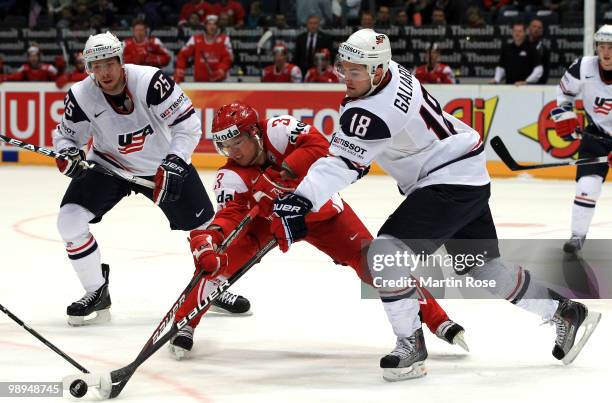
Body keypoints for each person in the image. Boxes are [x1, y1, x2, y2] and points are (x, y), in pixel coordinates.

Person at [270, 28, 601, 381]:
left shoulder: (373, 109)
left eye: (355, 71)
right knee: (484, 269)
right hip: (467, 172)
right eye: (344, 68)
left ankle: (410, 345)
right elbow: (360, 154)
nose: (346, 78)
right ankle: (563, 311)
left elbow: (344, 163)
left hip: (448, 182)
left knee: (383, 255)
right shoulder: (391, 70)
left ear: (378, 71)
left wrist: (301, 200)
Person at [168, 101, 468, 359]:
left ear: (255, 132)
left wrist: (281, 175)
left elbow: (321, 146)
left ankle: (437, 319)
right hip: (267, 223)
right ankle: (185, 322)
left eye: (238, 142)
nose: (233, 152)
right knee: (218, 263)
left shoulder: (279, 129)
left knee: (373, 262)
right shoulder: (230, 174)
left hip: (320, 213)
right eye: (225, 146)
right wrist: (212, 236)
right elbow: (231, 213)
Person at [51, 31, 249, 326]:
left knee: (206, 228)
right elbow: (66, 136)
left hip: (161, 165)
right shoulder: (81, 95)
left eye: (109, 63)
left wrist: (175, 161)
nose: (104, 72)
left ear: (120, 60)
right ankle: (96, 290)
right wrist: (67, 153)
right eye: (96, 66)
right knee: (69, 220)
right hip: (109, 165)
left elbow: (188, 124)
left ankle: (214, 286)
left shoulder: (150, 81)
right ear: (89, 68)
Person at [552, 25, 612, 253]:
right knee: (587, 186)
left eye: (611, 48)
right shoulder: (583, 67)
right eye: (602, 47)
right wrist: (564, 115)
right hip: (595, 136)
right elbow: (564, 94)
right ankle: (577, 235)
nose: (606, 53)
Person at [175, 14, 233, 83]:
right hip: (200, 83)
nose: (212, 27)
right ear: (205, 26)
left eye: (214, 24)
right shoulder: (195, 39)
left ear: (218, 26)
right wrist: (180, 69)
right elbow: (182, 55)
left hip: (221, 82)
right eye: (209, 24)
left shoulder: (225, 39)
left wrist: (221, 70)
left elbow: (228, 58)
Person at [528, 18, 550, 84]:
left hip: (536, 85)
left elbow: (545, 71)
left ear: (542, 30)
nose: (536, 29)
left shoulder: (544, 49)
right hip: (519, 84)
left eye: (539, 28)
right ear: (529, 28)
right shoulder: (522, 45)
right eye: (534, 26)